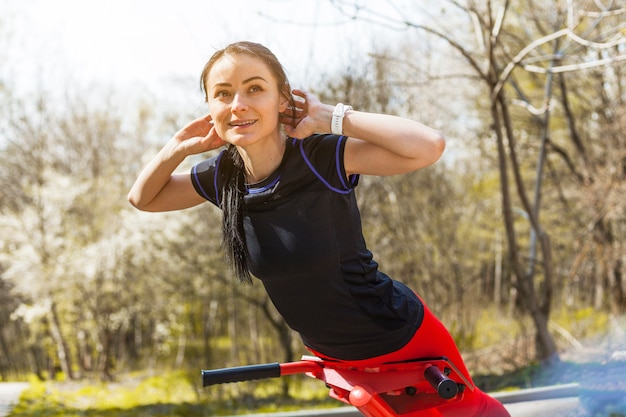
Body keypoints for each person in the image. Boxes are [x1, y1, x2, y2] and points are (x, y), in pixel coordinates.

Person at [128, 41, 510, 416]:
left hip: (400, 338)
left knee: (478, 413)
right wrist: (178, 146)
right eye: (222, 94)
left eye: (254, 89)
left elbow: (429, 146)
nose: (238, 104)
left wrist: (330, 116)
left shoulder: (321, 157)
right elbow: (143, 198)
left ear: (282, 100)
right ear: (210, 108)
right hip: (335, 355)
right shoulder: (221, 178)